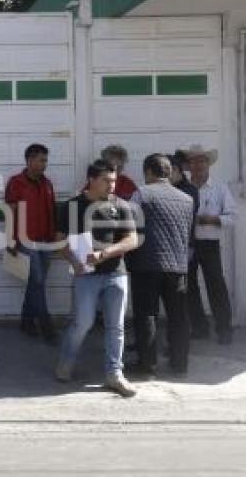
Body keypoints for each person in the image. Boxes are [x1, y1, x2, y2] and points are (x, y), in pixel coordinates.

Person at [55, 159, 140, 397]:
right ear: (91, 180)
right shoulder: (72, 206)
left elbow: (132, 240)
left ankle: (115, 374)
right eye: (107, 180)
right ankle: (66, 363)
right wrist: (74, 262)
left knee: (116, 326)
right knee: (82, 323)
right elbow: (60, 239)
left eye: (114, 180)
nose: (112, 185)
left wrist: (105, 253)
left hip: (116, 273)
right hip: (86, 276)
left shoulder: (122, 205)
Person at [126, 154, 194, 377]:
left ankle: (147, 366)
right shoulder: (187, 199)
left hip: (146, 264)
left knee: (147, 314)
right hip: (178, 266)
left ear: (148, 172)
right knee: (178, 317)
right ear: (169, 172)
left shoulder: (142, 194)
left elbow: (129, 225)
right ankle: (180, 363)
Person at [4, 143, 57, 342]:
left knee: (36, 283)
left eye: (46, 160)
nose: (45, 164)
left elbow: (51, 211)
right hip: (26, 241)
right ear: (29, 160)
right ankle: (46, 325)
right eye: (41, 160)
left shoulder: (48, 183)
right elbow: (10, 212)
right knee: (38, 281)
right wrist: (10, 240)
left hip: (45, 241)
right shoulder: (16, 183)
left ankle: (26, 321)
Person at [185, 144, 237, 344]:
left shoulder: (220, 188)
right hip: (188, 243)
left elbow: (233, 216)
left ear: (208, 164)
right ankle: (199, 327)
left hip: (209, 243)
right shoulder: (184, 189)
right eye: (193, 161)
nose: (198, 165)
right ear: (188, 165)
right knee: (189, 287)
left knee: (216, 286)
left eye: (202, 160)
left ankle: (224, 329)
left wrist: (212, 220)